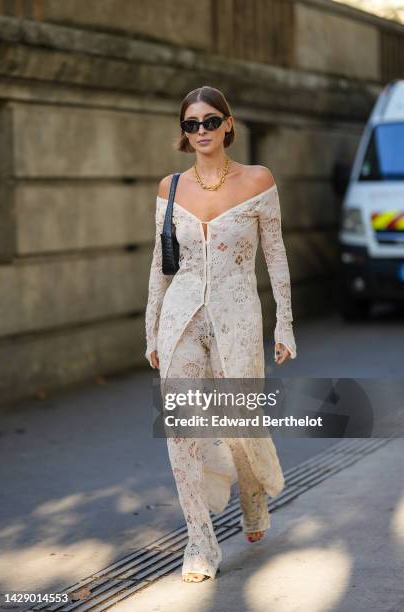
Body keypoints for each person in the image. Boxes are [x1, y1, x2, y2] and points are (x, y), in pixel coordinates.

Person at [145, 86, 297, 583]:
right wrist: (151, 331)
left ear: (229, 124)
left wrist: (285, 323)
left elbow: (274, 254)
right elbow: (159, 266)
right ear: (184, 133)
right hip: (180, 318)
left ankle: (252, 496)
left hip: (238, 316)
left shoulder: (258, 180)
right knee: (182, 429)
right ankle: (199, 540)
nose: (203, 131)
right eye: (192, 125)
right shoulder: (170, 188)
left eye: (211, 121)